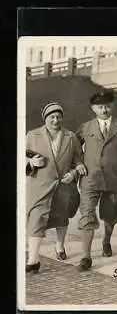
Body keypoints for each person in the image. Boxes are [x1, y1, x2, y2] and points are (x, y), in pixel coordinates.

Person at [25, 103, 87, 273]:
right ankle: (33, 260)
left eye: (58, 116)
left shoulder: (71, 136)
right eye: (51, 117)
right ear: (45, 118)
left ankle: (59, 246)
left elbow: (78, 160)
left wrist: (74, 173)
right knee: (36, 219)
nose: (55, 120)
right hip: (39, 186)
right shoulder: (32, 135)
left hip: (63, 186)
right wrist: (30, 162)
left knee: (61, 218)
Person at [76, 91, 117, 272]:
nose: (104, 109)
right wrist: (78, 163)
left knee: (111, 214)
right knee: (87, 214)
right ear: (93, 109)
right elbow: (74, 148)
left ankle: (107, 241)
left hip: (113, 179)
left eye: (107, 105)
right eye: (100, 106)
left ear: (113, 106)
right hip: (90, 179)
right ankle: (86, 256)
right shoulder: (86, 128)